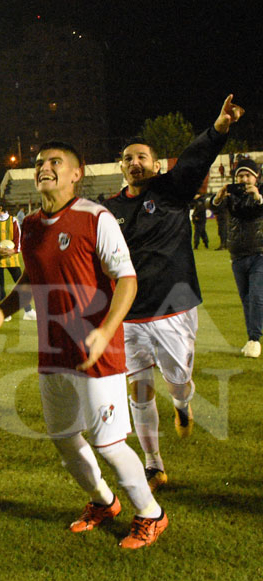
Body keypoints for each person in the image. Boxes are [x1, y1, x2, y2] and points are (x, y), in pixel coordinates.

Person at [0, 141, 167, 549]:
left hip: (99, 351)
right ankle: (103, 502)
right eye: (41, 163)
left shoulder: (96, 218)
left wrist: (106, 329)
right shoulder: (29, 226)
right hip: (53, 351)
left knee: (110, 444)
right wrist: (1, 311)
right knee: (64, 440)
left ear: (76, 173)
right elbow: (32, 279)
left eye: (55, 162)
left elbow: (127, 280)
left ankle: (151, 513)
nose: (45, 168)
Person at [103, 95, 242, 490]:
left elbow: (196, 158)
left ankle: (182, 404)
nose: (135, 163)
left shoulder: (171, 191)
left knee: (178, 381)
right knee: (139, 389)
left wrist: (218, 129)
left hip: (174, 310)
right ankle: (152, 462)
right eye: (128, 158)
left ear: (157, 164)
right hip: (130, 315)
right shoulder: (108, 209)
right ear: (121, 167)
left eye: (142, 157)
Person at [212, 157, 263, 358]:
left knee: (257, 296)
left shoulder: (260, 193)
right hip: (237, 256)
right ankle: (251, 339)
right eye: (240, 175)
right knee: (247, 300)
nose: (243, 179)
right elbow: (210, 206)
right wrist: (218, 197)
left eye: (247, 175)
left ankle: (254, 340)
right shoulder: (231, 198)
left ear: (256, 177)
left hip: (260, 253)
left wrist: (258, 197)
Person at [0, 199, 34, 321]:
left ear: (0, 208)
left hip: (12, 256)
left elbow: (18, 237)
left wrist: (14, 251)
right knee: (0, 285)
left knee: (20, 283)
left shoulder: (13, 220)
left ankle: (28, 311)